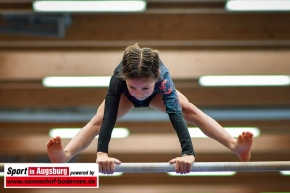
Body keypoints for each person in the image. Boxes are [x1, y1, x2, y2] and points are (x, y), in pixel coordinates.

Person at [46, 43, 253, 175]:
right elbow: (110, 116)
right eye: (133, 86)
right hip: (122, 98)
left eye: (144, 86)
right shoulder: (118, 81)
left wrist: (188, 154)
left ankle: (235, 146)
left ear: (156, 79)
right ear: (124, 79)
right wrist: (102, 154)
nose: (138, 93)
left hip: (158, 96)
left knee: (188, 109)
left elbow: (176, 115)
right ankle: (65, 155)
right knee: (99, 119)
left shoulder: (163, 80)